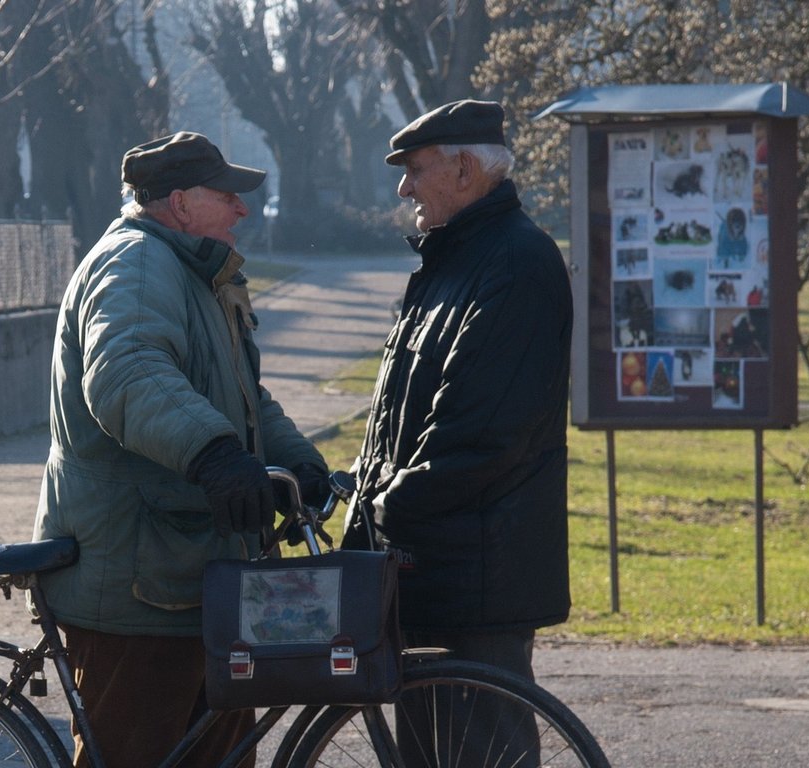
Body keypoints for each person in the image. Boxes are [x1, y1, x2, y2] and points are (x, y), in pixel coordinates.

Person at [32, 131, 329, 768]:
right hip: (136, 584)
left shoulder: (193, 272)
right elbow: (125, 375)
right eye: (228, 195)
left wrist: (301, 465)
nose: (243, 209)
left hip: (187, 574)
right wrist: (216, 456)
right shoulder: (137, 264)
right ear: (181, 203)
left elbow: (245, 398)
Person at [347, 100, 573, 766]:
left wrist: (388, 503)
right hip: (436, 569)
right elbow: (403, 417)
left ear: (466, 171)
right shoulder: (451, 263)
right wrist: (362, 493)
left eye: (416, 170)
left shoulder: (515, 265)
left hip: (478, 579)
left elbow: (481, 433)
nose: (403, 187)